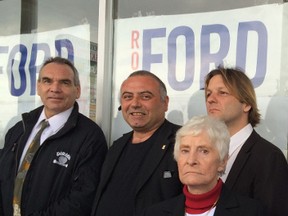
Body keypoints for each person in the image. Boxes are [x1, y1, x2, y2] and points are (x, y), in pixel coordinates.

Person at [0, 56, 108, 216]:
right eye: (47, 81)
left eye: (64, 82)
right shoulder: (19, 128)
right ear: (38, 87)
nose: (55, 88)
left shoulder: (90, 137)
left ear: (77, 90)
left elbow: (82, 200)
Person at [91, 70, 183, 216]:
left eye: (145, 96)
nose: (134, 104)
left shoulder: (184, 142)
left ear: (165, 103)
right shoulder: (117, 146)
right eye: (127, 97)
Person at [204, 66, 288, 216]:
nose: (210, 99)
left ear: (246, 104)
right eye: (208, 93)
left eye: (222, 93)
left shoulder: (269, 157)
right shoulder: (201, 152)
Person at [142, 115, 265, 216]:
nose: (191, 160)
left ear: (222, 161)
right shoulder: (154, 213)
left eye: (203, 151)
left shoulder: (251, 212)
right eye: (185, 150)